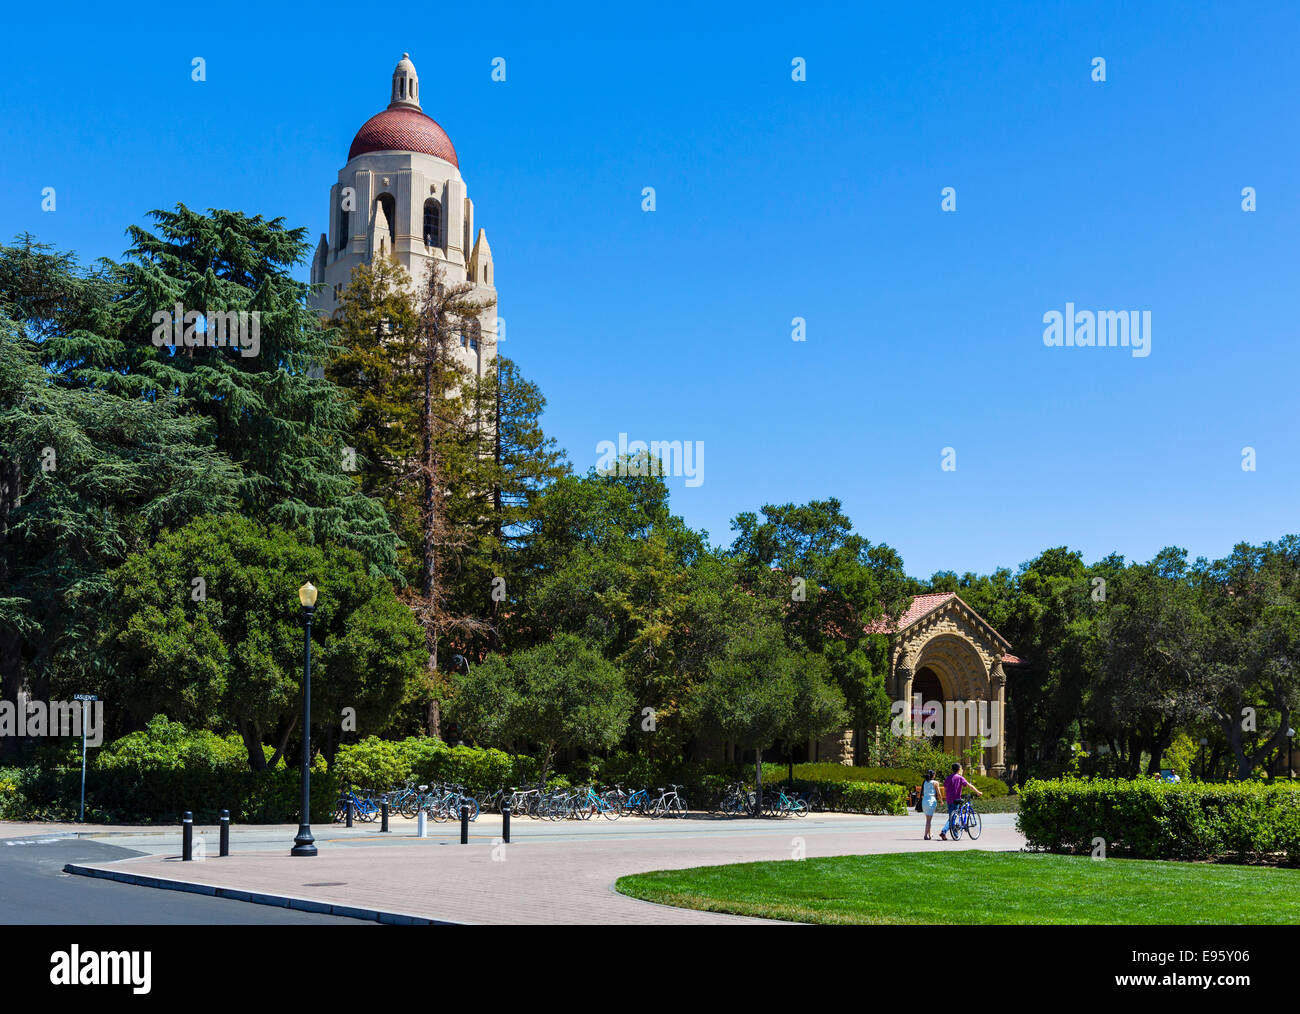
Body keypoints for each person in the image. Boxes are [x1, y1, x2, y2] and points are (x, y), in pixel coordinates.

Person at [938, 761, 982, 841]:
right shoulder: (959, 777)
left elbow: (945, 789)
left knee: (952, 817)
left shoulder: (948, 777)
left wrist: (946, 797)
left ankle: (955, 834)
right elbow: (969, 786)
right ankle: (944, 831)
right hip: (956, 800)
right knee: (953, 818)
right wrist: (978, 792)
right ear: (958, 769)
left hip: (949, 800)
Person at [920, 768, 940, 839]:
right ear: (933, 775)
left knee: (928, 819)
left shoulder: (924, 782)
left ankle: (930, 834)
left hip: (924, 801)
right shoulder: (935, 783)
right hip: (931, 801)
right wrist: (941, 800)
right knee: (929, 820)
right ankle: (926, 835)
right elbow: (938, 793)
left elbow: (922, 793)